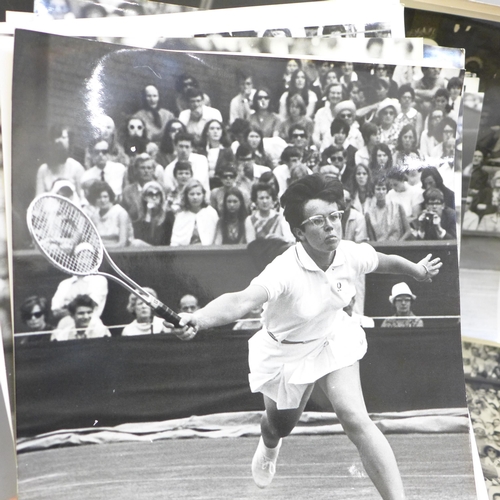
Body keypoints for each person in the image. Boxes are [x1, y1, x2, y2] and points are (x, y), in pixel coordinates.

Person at [168, 174, 441, 495]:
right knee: (279, 426)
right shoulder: (284, 270)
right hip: (287, 354)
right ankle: (268, 445)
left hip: (332, 339)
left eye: (335, 217)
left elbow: (384, 260)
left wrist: (417, 270)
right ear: (299, 232)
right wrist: (197, 319)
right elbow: (241, 300)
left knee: (356, 419)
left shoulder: (349, 253)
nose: (330, 226)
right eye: (317, 221)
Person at [36, 124, 85, 197]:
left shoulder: (76, 168)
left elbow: (82, 199)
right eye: (57, 137)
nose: (59, 141)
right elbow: (38, 198)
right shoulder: (43, 170)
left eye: (63, 137)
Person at [163, 132, 210, 201]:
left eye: (187, 147)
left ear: (192, 148)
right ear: (175, 146)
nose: (184, 150)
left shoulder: (201, 160)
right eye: (181, 146)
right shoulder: (169, 168)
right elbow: (170, 189)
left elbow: (197, 183)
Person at [170, 179, 219, 246]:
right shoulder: (181, 215)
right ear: (186, 196)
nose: (195, 197)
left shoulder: (211, 213)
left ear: (203, 195)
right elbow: (175, 241)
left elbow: (216, 239)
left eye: (198, 194)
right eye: (192, 194)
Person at [86, 180, 134, 248]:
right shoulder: (94, 216)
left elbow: (122, 243)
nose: (102, 200)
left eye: (105, 197)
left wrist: (102, 249)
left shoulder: (121, 213)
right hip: (100, 252)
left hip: (120, 252)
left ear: (110, 197)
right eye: (99, 197)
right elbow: (92, 242)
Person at [365, 175, 412, 242]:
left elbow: (408, 231)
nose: (381, 192)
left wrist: (398, 244)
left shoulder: (398, 207)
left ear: (387, 190)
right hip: (380, 248)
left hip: (398, 246)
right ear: (373, 191)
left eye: (383, 189)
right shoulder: (369, 213)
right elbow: (372, 238)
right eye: (378, 189)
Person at [132, 181, 175, 246]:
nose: (154, 197)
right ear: (144, 197)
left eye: (157, 194)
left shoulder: (168, 215)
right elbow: (142, 238)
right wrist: (148, 214)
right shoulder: (138, 215)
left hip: (163, 250)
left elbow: (167, 240)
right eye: (150, 194)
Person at [121, 153, 159, 222]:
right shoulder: (127, 192)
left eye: (149, 168)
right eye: (142, 168)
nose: (146, 171)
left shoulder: (161, 189)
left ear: (153, 170)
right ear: (136, 170)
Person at [197, 119, 234, 184]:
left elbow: (231, 169)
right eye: (212, 128)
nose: (215, 131)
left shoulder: (228, 151)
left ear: (222, 132)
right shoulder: (200, 151)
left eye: (218, 129)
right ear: (207, 132)